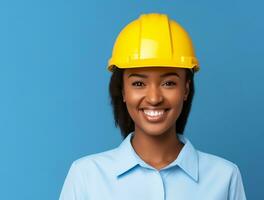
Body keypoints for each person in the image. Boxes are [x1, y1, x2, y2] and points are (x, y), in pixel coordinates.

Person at [59, 13, 247, 200]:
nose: (154, 98)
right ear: (123, 91)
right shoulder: (86, 176)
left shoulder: (224, 177)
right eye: (139, 84)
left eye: (169, 83)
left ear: (186, 90)